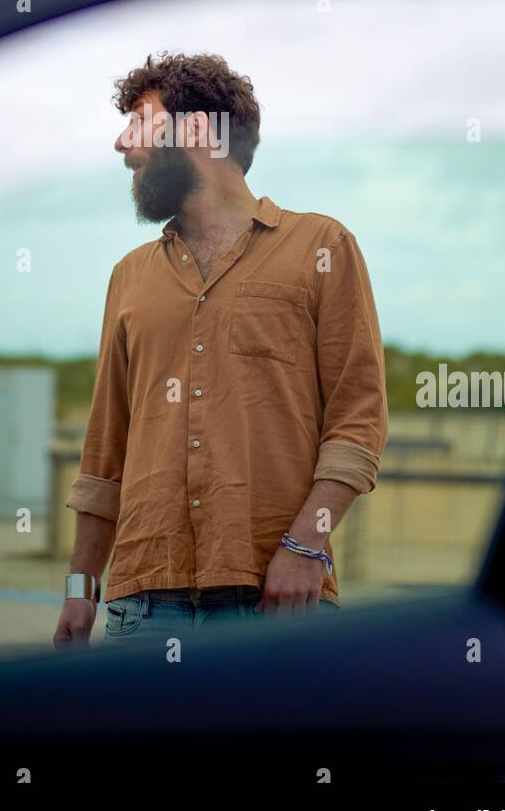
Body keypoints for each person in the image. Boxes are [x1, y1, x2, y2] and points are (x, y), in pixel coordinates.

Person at [53, 51, 388, 648]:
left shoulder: (323, 245)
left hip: (276, 600)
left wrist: (306, 545)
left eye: (140, 123)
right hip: (141, 609)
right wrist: (81, 591)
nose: (122, 146)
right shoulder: (128, 276)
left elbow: (358, 421)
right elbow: (105, 454)